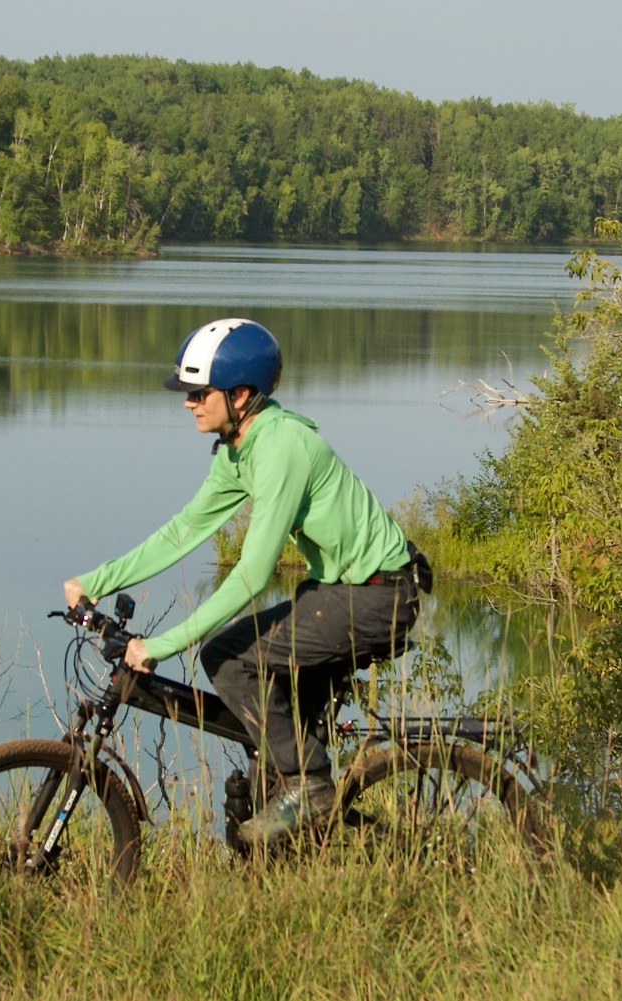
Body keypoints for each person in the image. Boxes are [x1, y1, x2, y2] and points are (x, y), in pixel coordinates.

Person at [63, 317, 430, 847]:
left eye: (198, 392)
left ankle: (309, 784)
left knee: (230, 659)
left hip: (377, 596)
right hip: (338, 590)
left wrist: (163, 644)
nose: (188, 402)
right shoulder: (240, 447)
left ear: (240, 394)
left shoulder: (282, 448)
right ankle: (299, 829)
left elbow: (254, 573)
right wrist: (97, 580)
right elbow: (184, 531)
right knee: (265, 713)